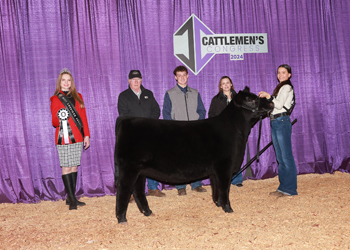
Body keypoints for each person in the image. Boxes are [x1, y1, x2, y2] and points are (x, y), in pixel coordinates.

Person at [117, 70, 165, 198]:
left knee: (152, 161)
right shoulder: (124, 96)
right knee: (133, 164)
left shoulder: (148, 94)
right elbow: (123, 115)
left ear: (141, 80)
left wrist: (149, 123)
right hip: (133, 136)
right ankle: (132, 192)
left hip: (149, 133)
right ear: (129, 81)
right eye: (133, 79)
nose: (136, 82)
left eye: (138, 79)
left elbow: (156, 109)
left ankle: (153, 188)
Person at [163, 65, 207, 195]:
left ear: (188, 76)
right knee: (179, 160)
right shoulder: (169, 94)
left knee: (196, 159)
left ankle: (196, 184)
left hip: (194, 132)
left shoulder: (195, 92)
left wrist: (197, 125)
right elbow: (166, 114)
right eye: (179, 75)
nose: (182, 77)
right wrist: (174, 129)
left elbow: (202, 111)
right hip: (178, 133)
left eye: (184, 75)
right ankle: (181, 186)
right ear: (176, 77)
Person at [50, 68, 90, 210]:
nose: (66, 83)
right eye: (63, 80)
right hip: (64, 138)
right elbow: (54, 122)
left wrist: (86, 135)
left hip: (78, 137)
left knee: (74, 166)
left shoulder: (78, 96)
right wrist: (60, 115)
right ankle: (72, 199)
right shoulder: (55, 99)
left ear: (71, 82)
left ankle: (71, 197)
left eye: (68, 80)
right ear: (60, 83)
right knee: (66, 167)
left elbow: (83, 117)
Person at [258, 64, 298, 197]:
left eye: (283, 72)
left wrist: (269, 96)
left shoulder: (286, 87)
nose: (280, 75)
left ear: (289, 75)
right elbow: (275, 105)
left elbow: (279, 104)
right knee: (280, 157)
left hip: (281, 122)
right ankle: (283, 187)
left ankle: (290, 189)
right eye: (279, 73)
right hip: (276, 121)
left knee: (286, 156)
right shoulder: (280, 87)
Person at [208, 76, 244, 187]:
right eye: (223, 83)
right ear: (220, 86)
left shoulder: (239, 98)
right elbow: (211, 116)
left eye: (227, 83)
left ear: (231, 84)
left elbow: (244, 116)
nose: (226, 85)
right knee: (223, 156)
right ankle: (224, 179)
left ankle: (237, 179)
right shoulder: (216, 100)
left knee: (236, 154)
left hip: (237, 131)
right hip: (222, 132)